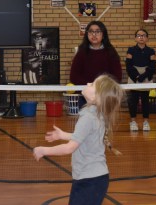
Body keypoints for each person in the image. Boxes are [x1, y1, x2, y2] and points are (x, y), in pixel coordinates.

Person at [33, 74, 124, 205]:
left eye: (92, 84)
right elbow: (85, 138)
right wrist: (63, 135)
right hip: (97, 178)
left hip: (89, 181)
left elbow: (69, 148)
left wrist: (43, 150)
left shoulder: (88, 117)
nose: (88, 83)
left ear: (95, 97)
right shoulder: (97, 114)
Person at [69, 21, 123, 106]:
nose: (94, 35)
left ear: (103, 34)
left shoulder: (111, 52)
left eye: (97, 31)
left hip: (105, 96)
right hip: (85, 97)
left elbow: (117, 76)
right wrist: (91, 87)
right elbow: (74, 76)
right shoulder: (81, 52)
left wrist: (101, 87)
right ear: (87, 34)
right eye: (91, 31)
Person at [125, 28, 156, 132]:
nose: (141, 37)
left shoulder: (151, 51)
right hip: (134, 77)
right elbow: (128, 66)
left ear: (147, 38)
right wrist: (137, 77)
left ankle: (146, 122)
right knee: (133, 101)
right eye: (139, 35)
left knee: (145, 101)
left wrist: (143, 76)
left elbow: (152, 67)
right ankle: (133, 122)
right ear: (135, 38)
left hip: (146, 77)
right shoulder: (130, 50)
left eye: (143, 35)